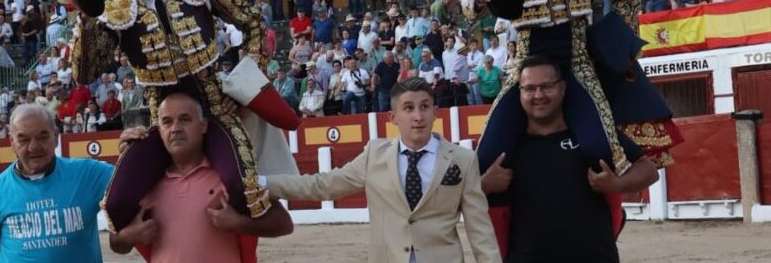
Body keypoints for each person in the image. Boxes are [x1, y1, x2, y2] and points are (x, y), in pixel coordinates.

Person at [460, 0, 678, 211]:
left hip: (577, 66)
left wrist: (617, 52)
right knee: (487, 156)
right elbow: (469, 7)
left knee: (601, 151)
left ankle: (603, 221)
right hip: (525, 72)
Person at [67, 0, 299, 221]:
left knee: (242, 189)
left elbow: (254, 22)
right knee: (117, 204)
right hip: (162, 125)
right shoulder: (117, 12)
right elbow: (84, 74)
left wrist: (244, 87)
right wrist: (84, 17)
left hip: (215, 112)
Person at [264, 77, 501, 263]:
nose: (418, 116)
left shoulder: (462, 159)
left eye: (424, 107)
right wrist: (264, 184)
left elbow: (480, 229)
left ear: (435, 112)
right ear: (392, 117)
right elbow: (322, 186)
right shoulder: (374, 155)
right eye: (408, 108)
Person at [479, 56, 658, 262]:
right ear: (519, 92)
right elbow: (455, 200)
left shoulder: (593, 136)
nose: (538, 95)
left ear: (563, 87)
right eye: (529, 88)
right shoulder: (507, 147)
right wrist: (484, 185)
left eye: (547, 87)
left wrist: (617, 185)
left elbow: (649, 171)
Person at [110, 93, 293, 262]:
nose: (175, 129)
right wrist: (126, 237)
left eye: (185, 119)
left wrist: (240, 223)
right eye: (167, 122)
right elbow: (116, 243)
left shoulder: (228, 176)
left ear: (203, 125)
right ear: (159, 130)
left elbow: (284, 223)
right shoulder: (148, 184)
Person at [0, 104, 114, 263]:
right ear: (12, 142)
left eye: (42, 137)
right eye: (23, 139)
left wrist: (132, 147)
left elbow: (130, 178)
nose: (34, 147)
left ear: (56, 137)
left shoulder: (89, 175)